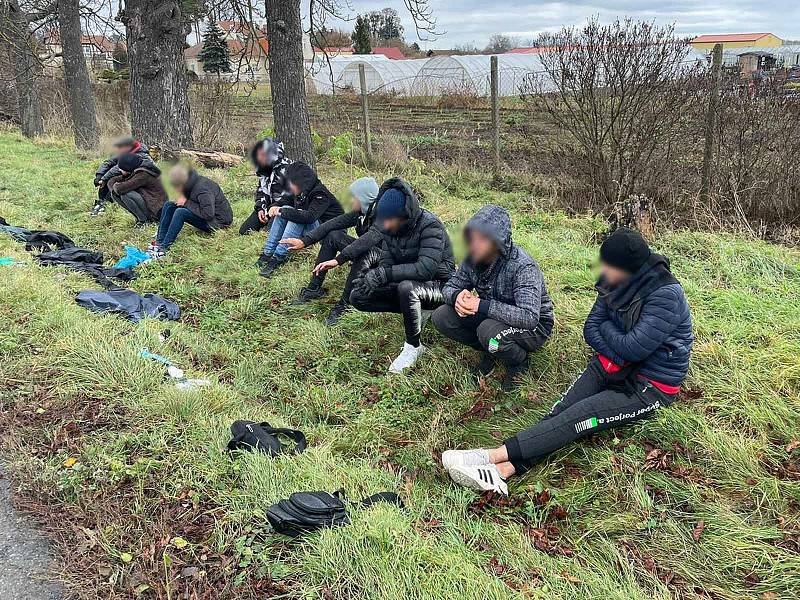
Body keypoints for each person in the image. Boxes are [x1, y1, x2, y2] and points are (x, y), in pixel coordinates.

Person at [441, 228, 693, 495]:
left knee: (577, 419)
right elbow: (591, 327)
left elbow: (633, 349)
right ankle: (503, 471)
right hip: (610, 363)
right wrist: (618, 342)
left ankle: (492, 458)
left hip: (648, 385)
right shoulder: (612, 279)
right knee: (560, 413)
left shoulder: (666, 295)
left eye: (609, 267)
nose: (603, 272)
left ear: (631, 270)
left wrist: (614, 338)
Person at [432, 205, 554, 391]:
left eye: (482, 239)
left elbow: (529, 317)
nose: (474, 244)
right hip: (494, 318)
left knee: (487, 331)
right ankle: (491, 349)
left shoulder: (522, 266)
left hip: (535, 327)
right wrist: (457, 296)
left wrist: (481, 305)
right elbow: (450, 287)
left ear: (497, 242)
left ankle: (519, 361)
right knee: (442, 316)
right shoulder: (472, 258)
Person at [348, 178, 455, 374]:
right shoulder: (389, 229)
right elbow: (388, 264)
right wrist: (372, 276)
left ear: (404, 215)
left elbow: (425, 269)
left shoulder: (430, 226)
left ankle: (413, 347)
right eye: (383, 219)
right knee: (358, 296)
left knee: (407, 288)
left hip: (442, 286)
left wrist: (385, 274)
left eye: (390, 220)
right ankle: (414, 310)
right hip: (411, 284)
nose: (386, 225)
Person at [280, 176, 381, 323]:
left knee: (362, 252)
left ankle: (345, 304)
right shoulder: (361, 213)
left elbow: (366, 243)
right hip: (367, 252)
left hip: (384, 261)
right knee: (333, 236)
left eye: (354, 197)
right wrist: (305, 240)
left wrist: (338, 260)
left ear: (364, 199)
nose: (350, 201)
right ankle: (314, 288)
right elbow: (332, 224)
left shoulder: (382, 216)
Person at [259, 162, 344, 278]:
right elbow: (284, 202)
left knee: (297, 216)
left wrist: (281, 211)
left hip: (328, 233)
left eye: (291, 183)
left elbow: (309, 217)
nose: (289, 186)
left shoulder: (320, 194)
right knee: (285, 209)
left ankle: (278, 257)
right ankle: (267, 253)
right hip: (314, 226)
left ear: (301, 182)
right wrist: (274, 208)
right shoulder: (302, 190)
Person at [149, 166, 233, 257]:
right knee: (169, 204)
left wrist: (185, 202)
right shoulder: (191, 184)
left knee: (180, 213)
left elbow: (208, 214)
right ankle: (159, 242)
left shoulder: (203, 191)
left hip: (218, 222)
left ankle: (164, 248)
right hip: (208, 215)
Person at [240, 138, 293, 239]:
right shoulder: (263, 170)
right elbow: (261, 191)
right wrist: (260, 208)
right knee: (244, 231)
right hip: (268, 207)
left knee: (269, 235)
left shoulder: (289, 169)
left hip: (282, 209)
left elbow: (290, 199)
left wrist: (270, 212)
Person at [93, 136, 155, 215]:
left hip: (138, 182)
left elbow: (119, 167)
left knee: (113, 182)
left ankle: (108, 203)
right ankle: (101, 202)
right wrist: (99, 175)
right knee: (109, 181)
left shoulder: (143, 155)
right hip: (127, 175)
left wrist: (104, 178)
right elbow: (108, 162)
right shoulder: (125, 151)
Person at [106, 153, 167, 225]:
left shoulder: (143, 174)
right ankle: (141, 218)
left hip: (157, 211)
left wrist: (116, 186)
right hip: (151, 205)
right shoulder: (136, 170)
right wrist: (115, 187)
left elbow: (120, 189)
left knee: (125, 194)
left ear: (128, 168)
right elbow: (111, 181)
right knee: (115, 194)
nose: (119, 170)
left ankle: (144, 221)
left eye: (121, 169)